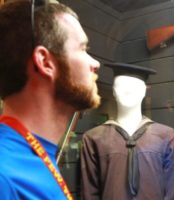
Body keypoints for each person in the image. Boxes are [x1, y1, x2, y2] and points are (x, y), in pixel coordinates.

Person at [0, 1, 100, 199]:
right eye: (82, 49)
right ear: (45, 62)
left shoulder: (30, 158)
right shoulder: (5, 176)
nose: (95, 63)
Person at [81, 62, 174, 200]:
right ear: (114, 91)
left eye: (135, 87)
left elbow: (173, 191)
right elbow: (89, 193)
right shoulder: (94, 138)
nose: (128, 91)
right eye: (121, 86)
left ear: (144, 91)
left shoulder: (166, 136)